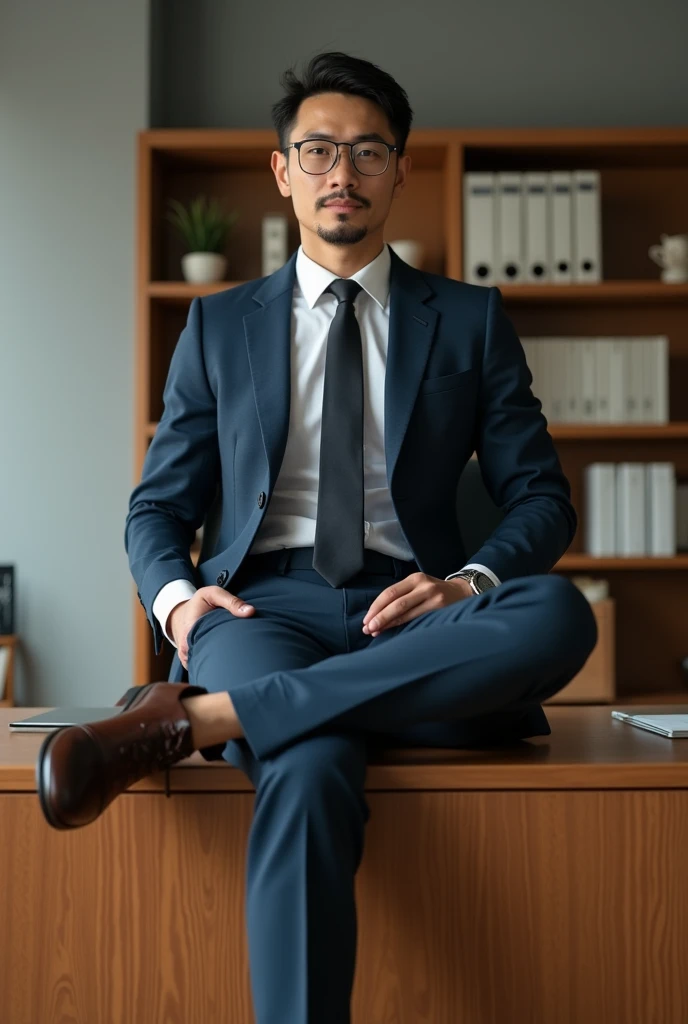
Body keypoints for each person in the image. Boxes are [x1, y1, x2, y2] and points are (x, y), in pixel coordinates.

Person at [37, 50, 597, 1024]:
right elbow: (157, 508)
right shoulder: (217, 328)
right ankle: (299, 704)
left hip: (415, 607)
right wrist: (177, 600)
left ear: (399, 171)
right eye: (320, 150)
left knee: (555, 611)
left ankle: (206, 720)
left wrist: (466, 582)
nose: (343, 172)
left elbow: (541, 500)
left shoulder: (467, 321)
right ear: (281, 169)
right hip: (263, 604)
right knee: (312, 762)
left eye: (368, 151)